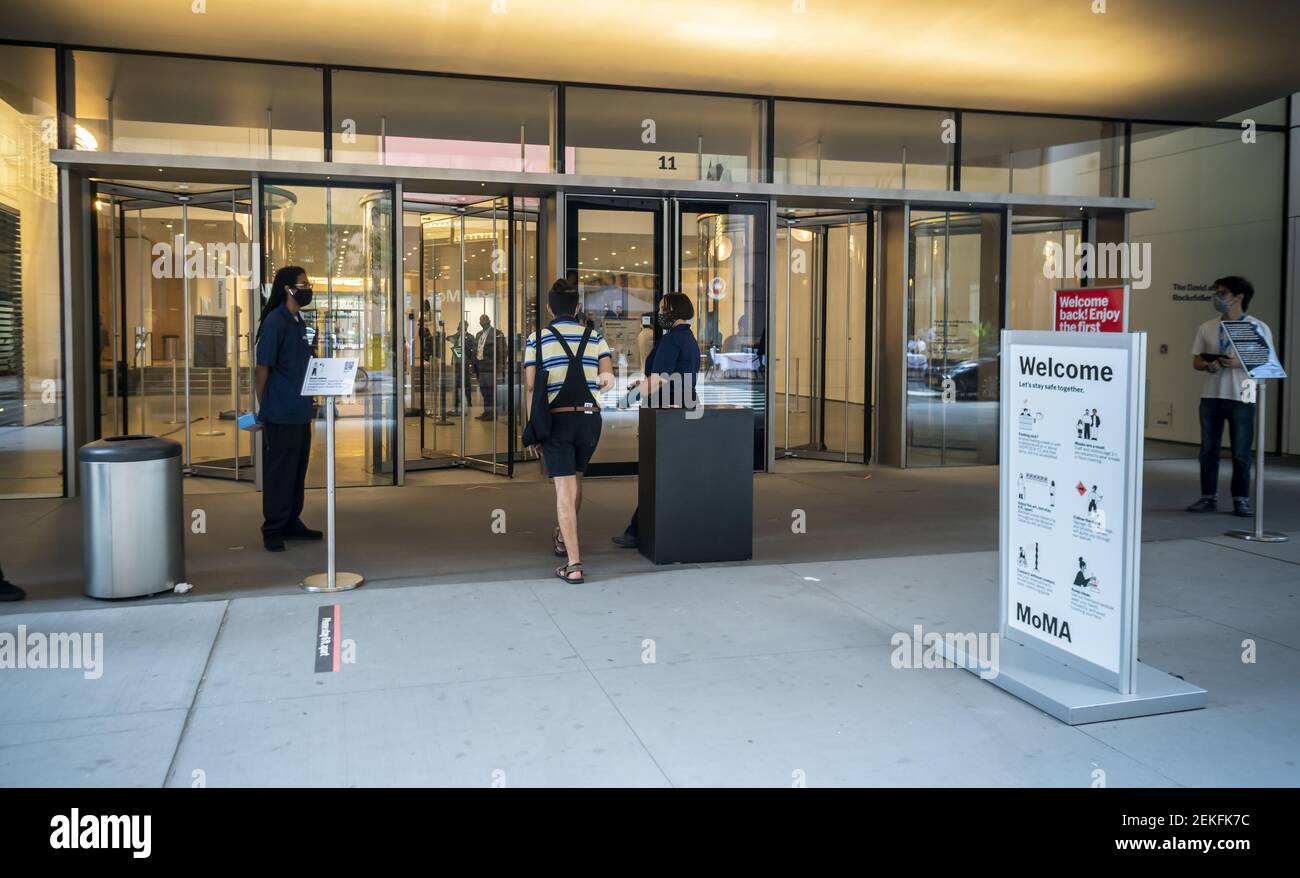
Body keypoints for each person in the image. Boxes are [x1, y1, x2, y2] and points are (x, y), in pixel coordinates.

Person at [524, 279, 615, 583]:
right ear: (577, 308)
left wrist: (534, 429)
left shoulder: (538, 339)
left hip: (557, 420)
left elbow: (531, 387)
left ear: (549, 308)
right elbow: (607, 377)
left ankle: (574, 565)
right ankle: (563, 540)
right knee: (576, 481)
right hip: (590, 421)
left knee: (564, 490)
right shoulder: (596, 338)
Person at [612, 293, 701, 549]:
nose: (660, 312)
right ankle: (638, 529)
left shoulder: (673, 339)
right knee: (664, 474)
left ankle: (640, 531)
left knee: (658, 474)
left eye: (664, 308)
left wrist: (630, 397)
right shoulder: (687, 338)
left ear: (674, 311)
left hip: (666, 413)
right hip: (680, 407)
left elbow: (660, 379)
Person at [1187, 276, 1274, 517]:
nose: (1217, 297)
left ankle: (1241, 499)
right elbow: (1196, 360)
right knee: (1208, 450)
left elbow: (1267, 363)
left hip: (1243, 394)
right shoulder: (1207, 326)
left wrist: (1239, 363)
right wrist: (1209, 364)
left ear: (1238, 297)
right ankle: (1208, 497)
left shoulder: (1257, 327)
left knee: (1241, 452)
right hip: (1211, 394)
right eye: (1216, 292)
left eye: (1222, 293)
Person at [254, 266, 323, 553]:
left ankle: (291, 521)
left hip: (299, 411)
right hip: (281, 412)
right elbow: (262, 369)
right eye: (303, 284)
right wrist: (265, 406)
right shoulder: (275, 322)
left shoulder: (297, 321)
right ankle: (273, 528)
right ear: (287, 288)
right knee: (280, 472)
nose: (308, 288)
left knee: (296, 471)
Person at [474, 313, 505, 421]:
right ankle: (486, 412)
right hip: (480, 367)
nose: (482, 322)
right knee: (484, 391)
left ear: (489, 321)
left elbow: (503, 352)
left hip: (491, 368)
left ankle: (492, 414)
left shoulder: (497, 334)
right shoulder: (478, 335)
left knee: (491, 391)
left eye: (484, 320)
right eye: (480, 320)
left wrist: (500, 367)